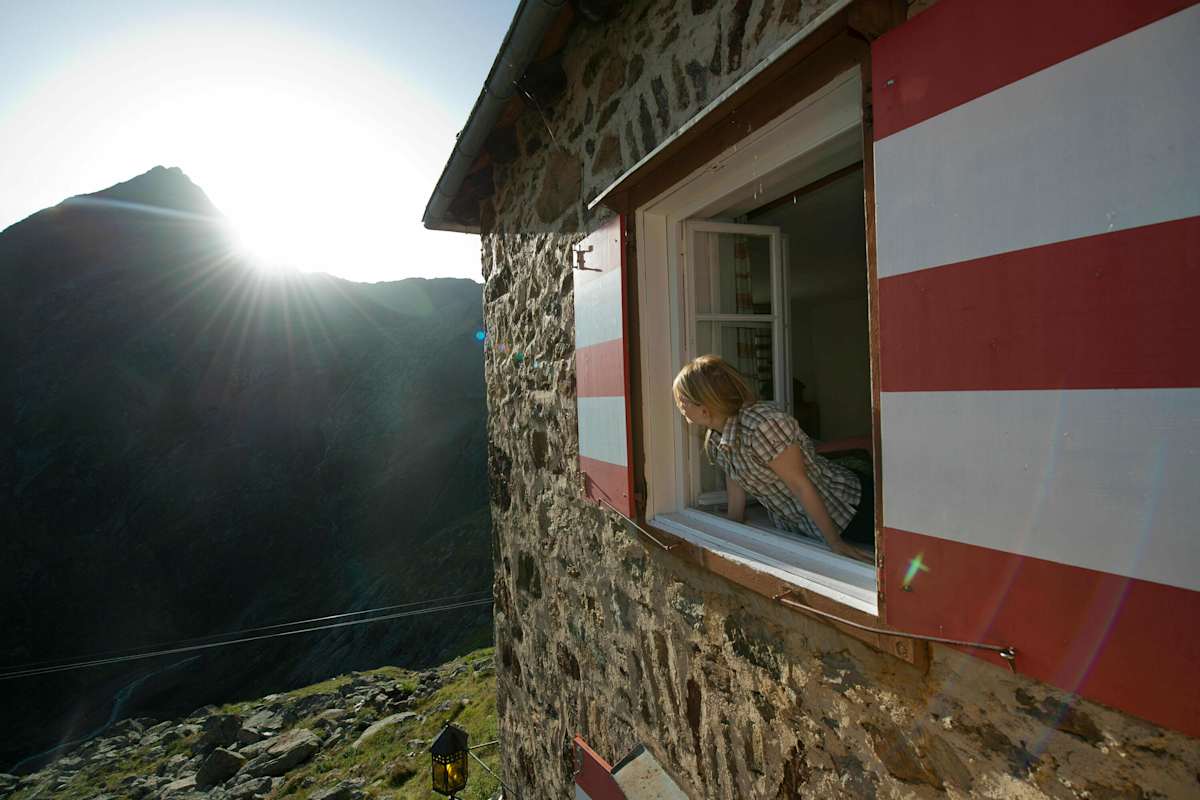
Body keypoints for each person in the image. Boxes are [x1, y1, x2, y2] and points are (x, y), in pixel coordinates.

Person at [672, 354, 874, 563]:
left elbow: (800, 484)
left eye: (683, 399)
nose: (679, 405)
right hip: (804, 524)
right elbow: (735, 475)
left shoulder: (762, 426)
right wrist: (734, 520)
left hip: (848, 511)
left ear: (705, 407)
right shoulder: (715, 434)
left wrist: (835, 543)